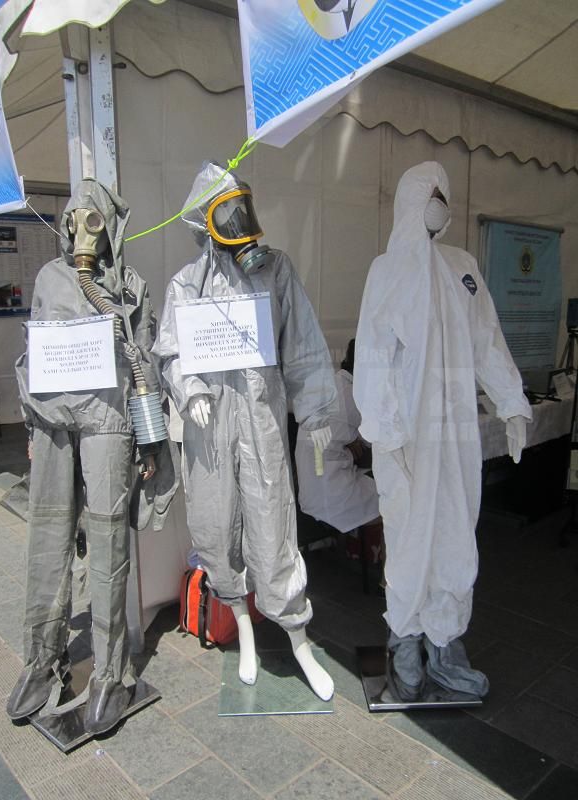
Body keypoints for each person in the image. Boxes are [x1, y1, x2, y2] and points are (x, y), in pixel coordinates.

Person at [153, 161, 338, 700]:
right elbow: (169, 352)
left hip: (261, 422)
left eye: (243, 208)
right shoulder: (186, 284)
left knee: (272, 526)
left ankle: (298, 638)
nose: (239, 222)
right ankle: (245, 632)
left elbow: (302, 342)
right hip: (209, 431)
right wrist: (190, 390)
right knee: (214, 528)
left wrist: (316, 411)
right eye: (226, 212)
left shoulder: (275, 271)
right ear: (203, 220)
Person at [354, 162, 532, 700]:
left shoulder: (463, 267)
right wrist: (384, 428)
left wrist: (512, 401)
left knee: (456, 532)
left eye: (443, 193)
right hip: (405, 434)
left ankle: (446, 639)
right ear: (408, 199)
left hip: (454, 434)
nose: (438, 201)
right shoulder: (387, 270)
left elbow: (487, 341)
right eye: (427, 192)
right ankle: (406, 636)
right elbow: (373, 354)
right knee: (409, 536)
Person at [8, 179, 166, 734]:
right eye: (74, 219)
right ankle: (41, 658)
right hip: (53, 424)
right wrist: (31, 424)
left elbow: (146, 364)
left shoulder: (129, 286)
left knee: (108, 547)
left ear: (110, 226)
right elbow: (33, 349)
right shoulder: (50, 278)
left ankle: (111, 672)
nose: (82, 230)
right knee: (47, 539)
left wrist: (149, 440)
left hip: (108, 424)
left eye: (93, 219)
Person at [295, 338, 383, 566]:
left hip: (309, 490)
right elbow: (378, 440)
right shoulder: (356, 396)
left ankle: (358, 550)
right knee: (393, 499)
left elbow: (332, 445)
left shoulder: (332, 384)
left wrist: (350, 448)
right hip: (331, 494)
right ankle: (381, 568)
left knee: (373, 482)